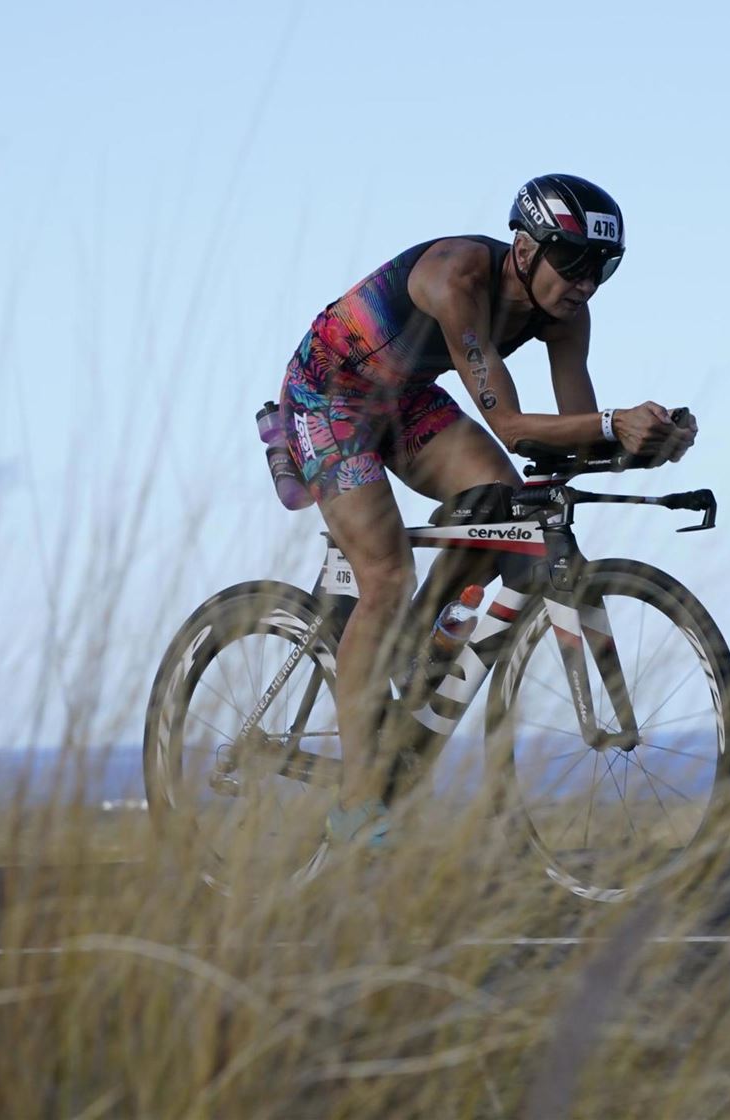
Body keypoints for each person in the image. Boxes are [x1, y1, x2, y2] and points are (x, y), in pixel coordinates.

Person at [277, 174, 697, 847]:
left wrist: (646, 448)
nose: (587, 283)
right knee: (385, 576)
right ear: (526, 249)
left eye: (604, 268)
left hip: (406, 398)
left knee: (509, 506)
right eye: (575, 262)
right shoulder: (456, 278)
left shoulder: (567, 313)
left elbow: (577, 437)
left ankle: (415, 651)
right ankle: (358, 800)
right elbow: (514, 428)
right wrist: (614, 424)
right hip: (329, 396)